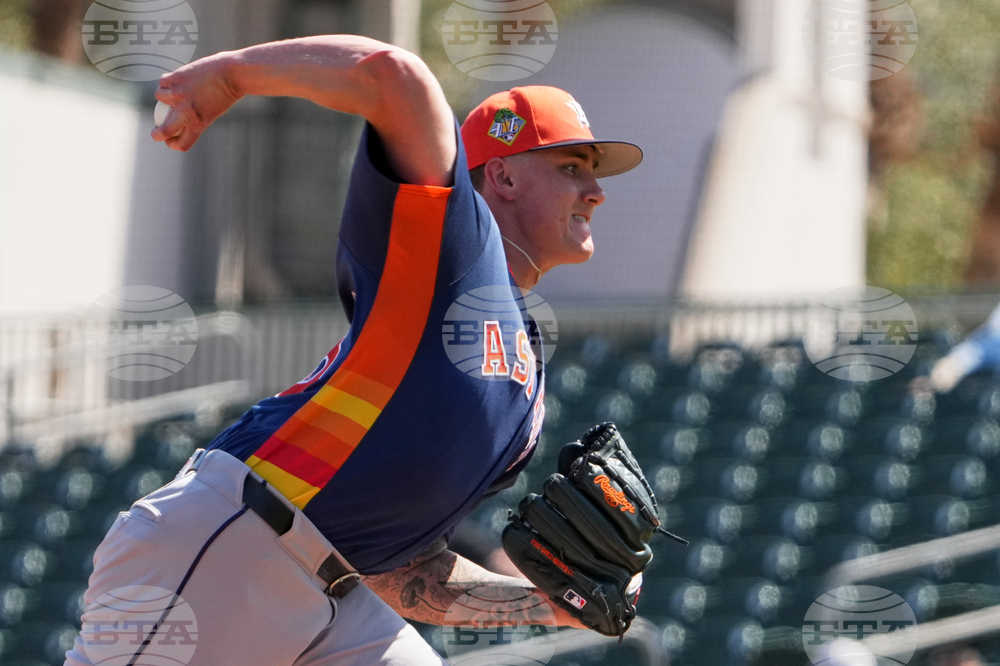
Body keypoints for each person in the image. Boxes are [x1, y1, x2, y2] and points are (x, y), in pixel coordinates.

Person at [65, 34, 642, 666]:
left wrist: (558, 603)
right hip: (233, 546)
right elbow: (395, 77)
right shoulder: (455, 251)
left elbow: (403, 574)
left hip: (336, 593)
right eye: (571, 167)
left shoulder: (523, 374)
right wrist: (232, 75)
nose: (596, 191)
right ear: (501, 174)